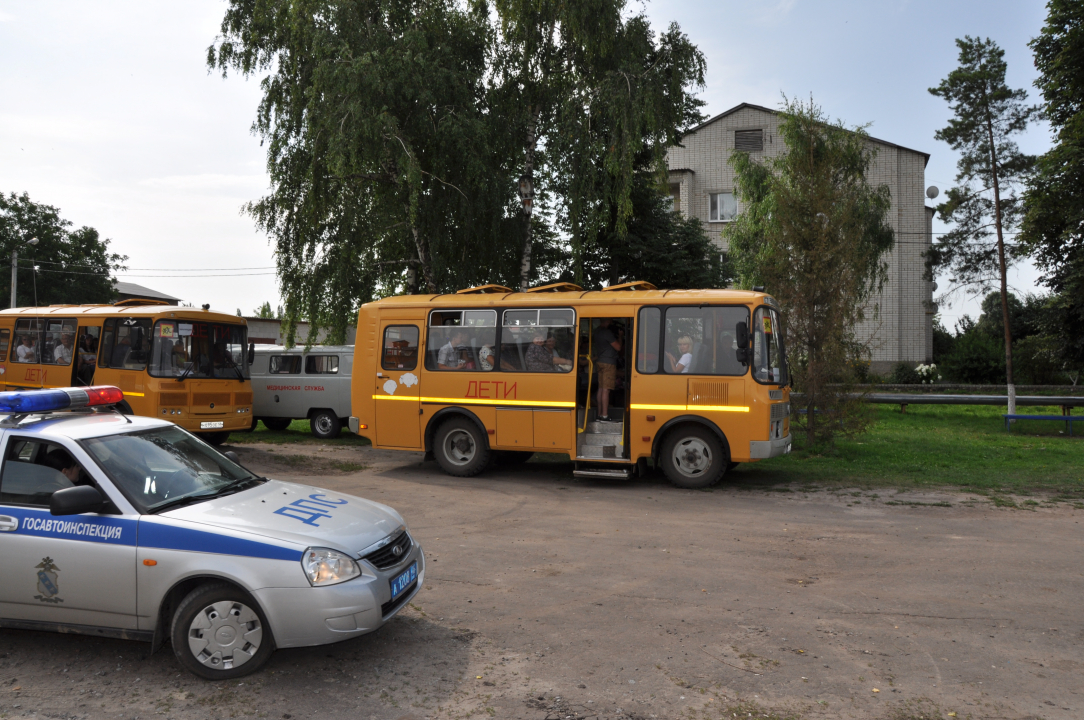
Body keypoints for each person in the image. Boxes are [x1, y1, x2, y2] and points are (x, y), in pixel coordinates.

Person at [592, 319, 622, 422]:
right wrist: (620, 336)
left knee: (601, 388)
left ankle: (600, 414)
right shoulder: (606, 332)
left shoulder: (596, 331)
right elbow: (618, 347)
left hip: (600, 361)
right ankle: (605, 415)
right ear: (606, 321)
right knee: (606, 389)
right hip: (608, 363)